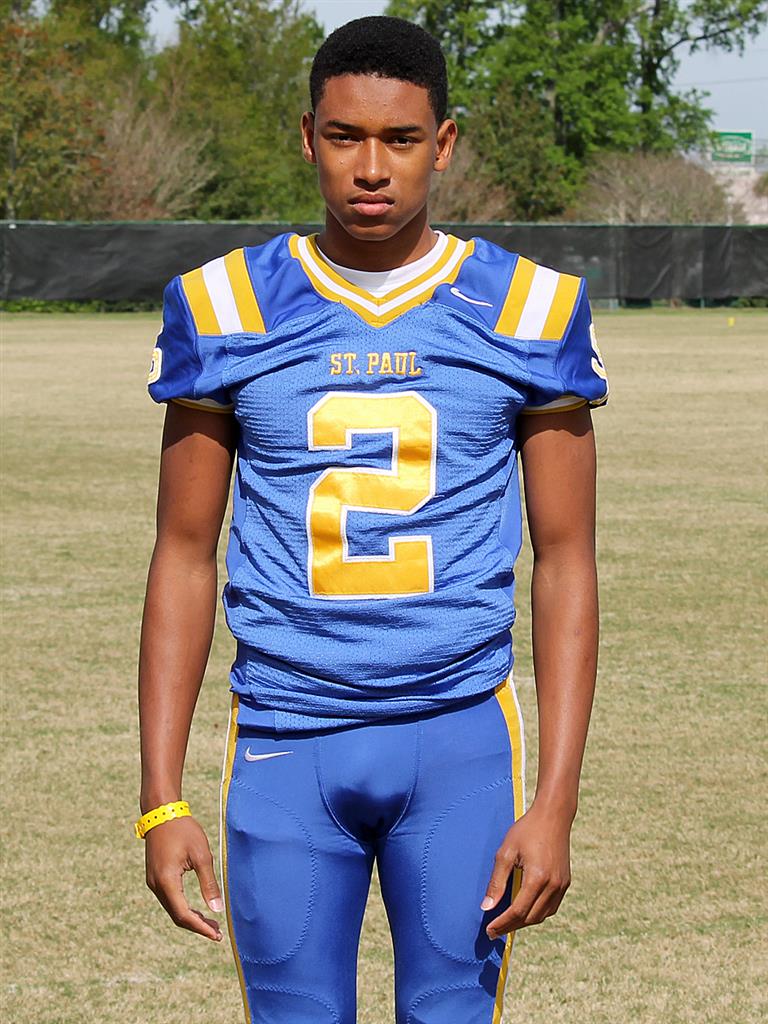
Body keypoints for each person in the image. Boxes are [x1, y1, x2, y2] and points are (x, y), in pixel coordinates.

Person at [137, 15, 608, 1024]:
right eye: (346, 136)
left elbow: (568, 562)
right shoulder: (225, 306)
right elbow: (183, 554)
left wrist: (557, 800)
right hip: (283, 739)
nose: (370, 167)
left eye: (400, 140)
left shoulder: (529, 308)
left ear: (443, 144)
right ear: (306, 135)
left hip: (461, 741)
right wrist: (162, 796)